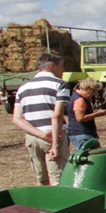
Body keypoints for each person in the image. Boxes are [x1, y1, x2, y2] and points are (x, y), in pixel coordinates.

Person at [12, 52, 69, 185]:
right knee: (58, 180)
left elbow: (17, 119)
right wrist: (55, 144)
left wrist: (40, 134)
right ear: (51, 65)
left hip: (32, 137)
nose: (63, 70)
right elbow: (57, 116)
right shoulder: (60, 84)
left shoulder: (23, 88)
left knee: (41, 179)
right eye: (61, 66)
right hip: (53, 135)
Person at [66, 78, 106, 152]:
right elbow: (80, 118)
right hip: (82, 133)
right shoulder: (80, 100)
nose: (94, 93)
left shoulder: (76, 96)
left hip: (80, 132)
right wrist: (97, 114)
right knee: (85, 155)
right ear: (87, 89)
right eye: (94, 91)